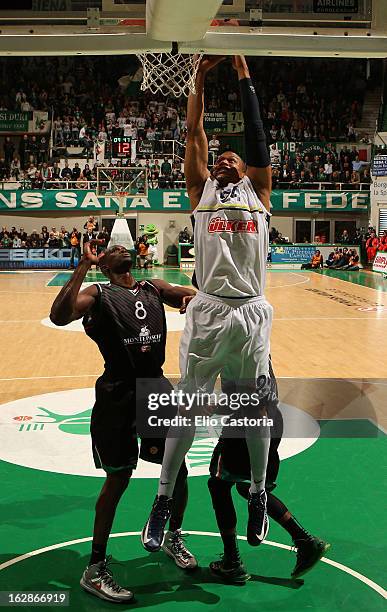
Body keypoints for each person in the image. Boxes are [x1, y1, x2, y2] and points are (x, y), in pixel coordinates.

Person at [142, 55, 273, 553]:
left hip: (251, 312)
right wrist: (197, 74)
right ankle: (162, 499)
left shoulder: (259, 193)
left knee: (250, 412)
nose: (222, 158)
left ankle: (259, 494)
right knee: (188, 409)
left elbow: (257, 136)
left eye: (231, 158)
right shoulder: (201, 193)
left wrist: (243, 76)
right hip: (210, 310)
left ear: (246, 170)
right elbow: (194, 128)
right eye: (217, 157)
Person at [49, 242, 197, 604]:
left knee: (178, 471)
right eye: (110, 248)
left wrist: (195, 299)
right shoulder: (98, 294)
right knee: (118, 478)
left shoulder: (154, 287)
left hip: (155, 386)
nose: (118, 246)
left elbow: (194, 297)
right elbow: (59, 315)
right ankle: (95, 568)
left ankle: (172, 535)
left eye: (122, 245)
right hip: (117, 393)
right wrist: (83, 264)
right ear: (104, 264)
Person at [208, 371, 330, 583]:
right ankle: (305, 541)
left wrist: (206, 406)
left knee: (219, 484)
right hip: (271, 419)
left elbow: (242, 398)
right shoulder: (257, 342)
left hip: (249, 422)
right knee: (249, 486)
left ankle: (232, 562)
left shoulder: (232, 349)